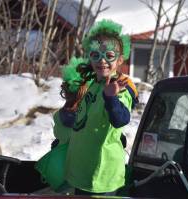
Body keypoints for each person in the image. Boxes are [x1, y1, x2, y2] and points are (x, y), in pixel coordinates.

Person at [62, 19, 138, 195]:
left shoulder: (120, 86)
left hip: (102, 178)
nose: (102, 61)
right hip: (82, 174)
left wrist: (111, 98)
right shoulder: (92, 84)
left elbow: (120, 120)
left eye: (109, 56)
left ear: (120, 60)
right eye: (95, 55)